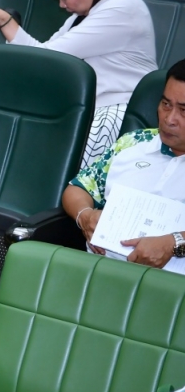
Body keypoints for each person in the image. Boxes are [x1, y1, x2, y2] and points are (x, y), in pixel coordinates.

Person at [0, 0, 158, 167]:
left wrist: (8, 23)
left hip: (119, 111)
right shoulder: (89, 11)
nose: (62, 5)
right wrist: (5, 22)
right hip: (92, 108)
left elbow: (48, 58)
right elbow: (43, 54)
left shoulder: (121, 9)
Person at [63, 59, 185, 269]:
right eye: (166, 104)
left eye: (184, 111)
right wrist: (85, 215)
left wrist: (175, 243)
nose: (169, 119)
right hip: (96, 270)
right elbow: (77, 189)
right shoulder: (133, 142)